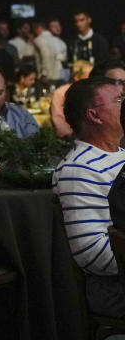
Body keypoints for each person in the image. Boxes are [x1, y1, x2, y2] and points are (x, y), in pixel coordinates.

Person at [56, 77, 125, 318]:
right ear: (94, 116)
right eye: (119, 100)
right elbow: (93, 254)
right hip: (113, 288)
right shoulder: (79, 169)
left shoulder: (120, 155)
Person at [50, 60, 94, 138]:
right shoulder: (61, 93)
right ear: (77, 77)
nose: (93, 79)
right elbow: (59, 121)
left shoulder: (96, 92)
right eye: (89, 76)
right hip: (71, 140)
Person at [33, 18, 68, 85]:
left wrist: (44, 74)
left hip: (48, 79)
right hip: (62, 78)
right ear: (48, 28)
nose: (57, 28)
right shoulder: (62, 42)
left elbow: (45, 54)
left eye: (58, 26)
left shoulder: (39, 39)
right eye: (54, 27)